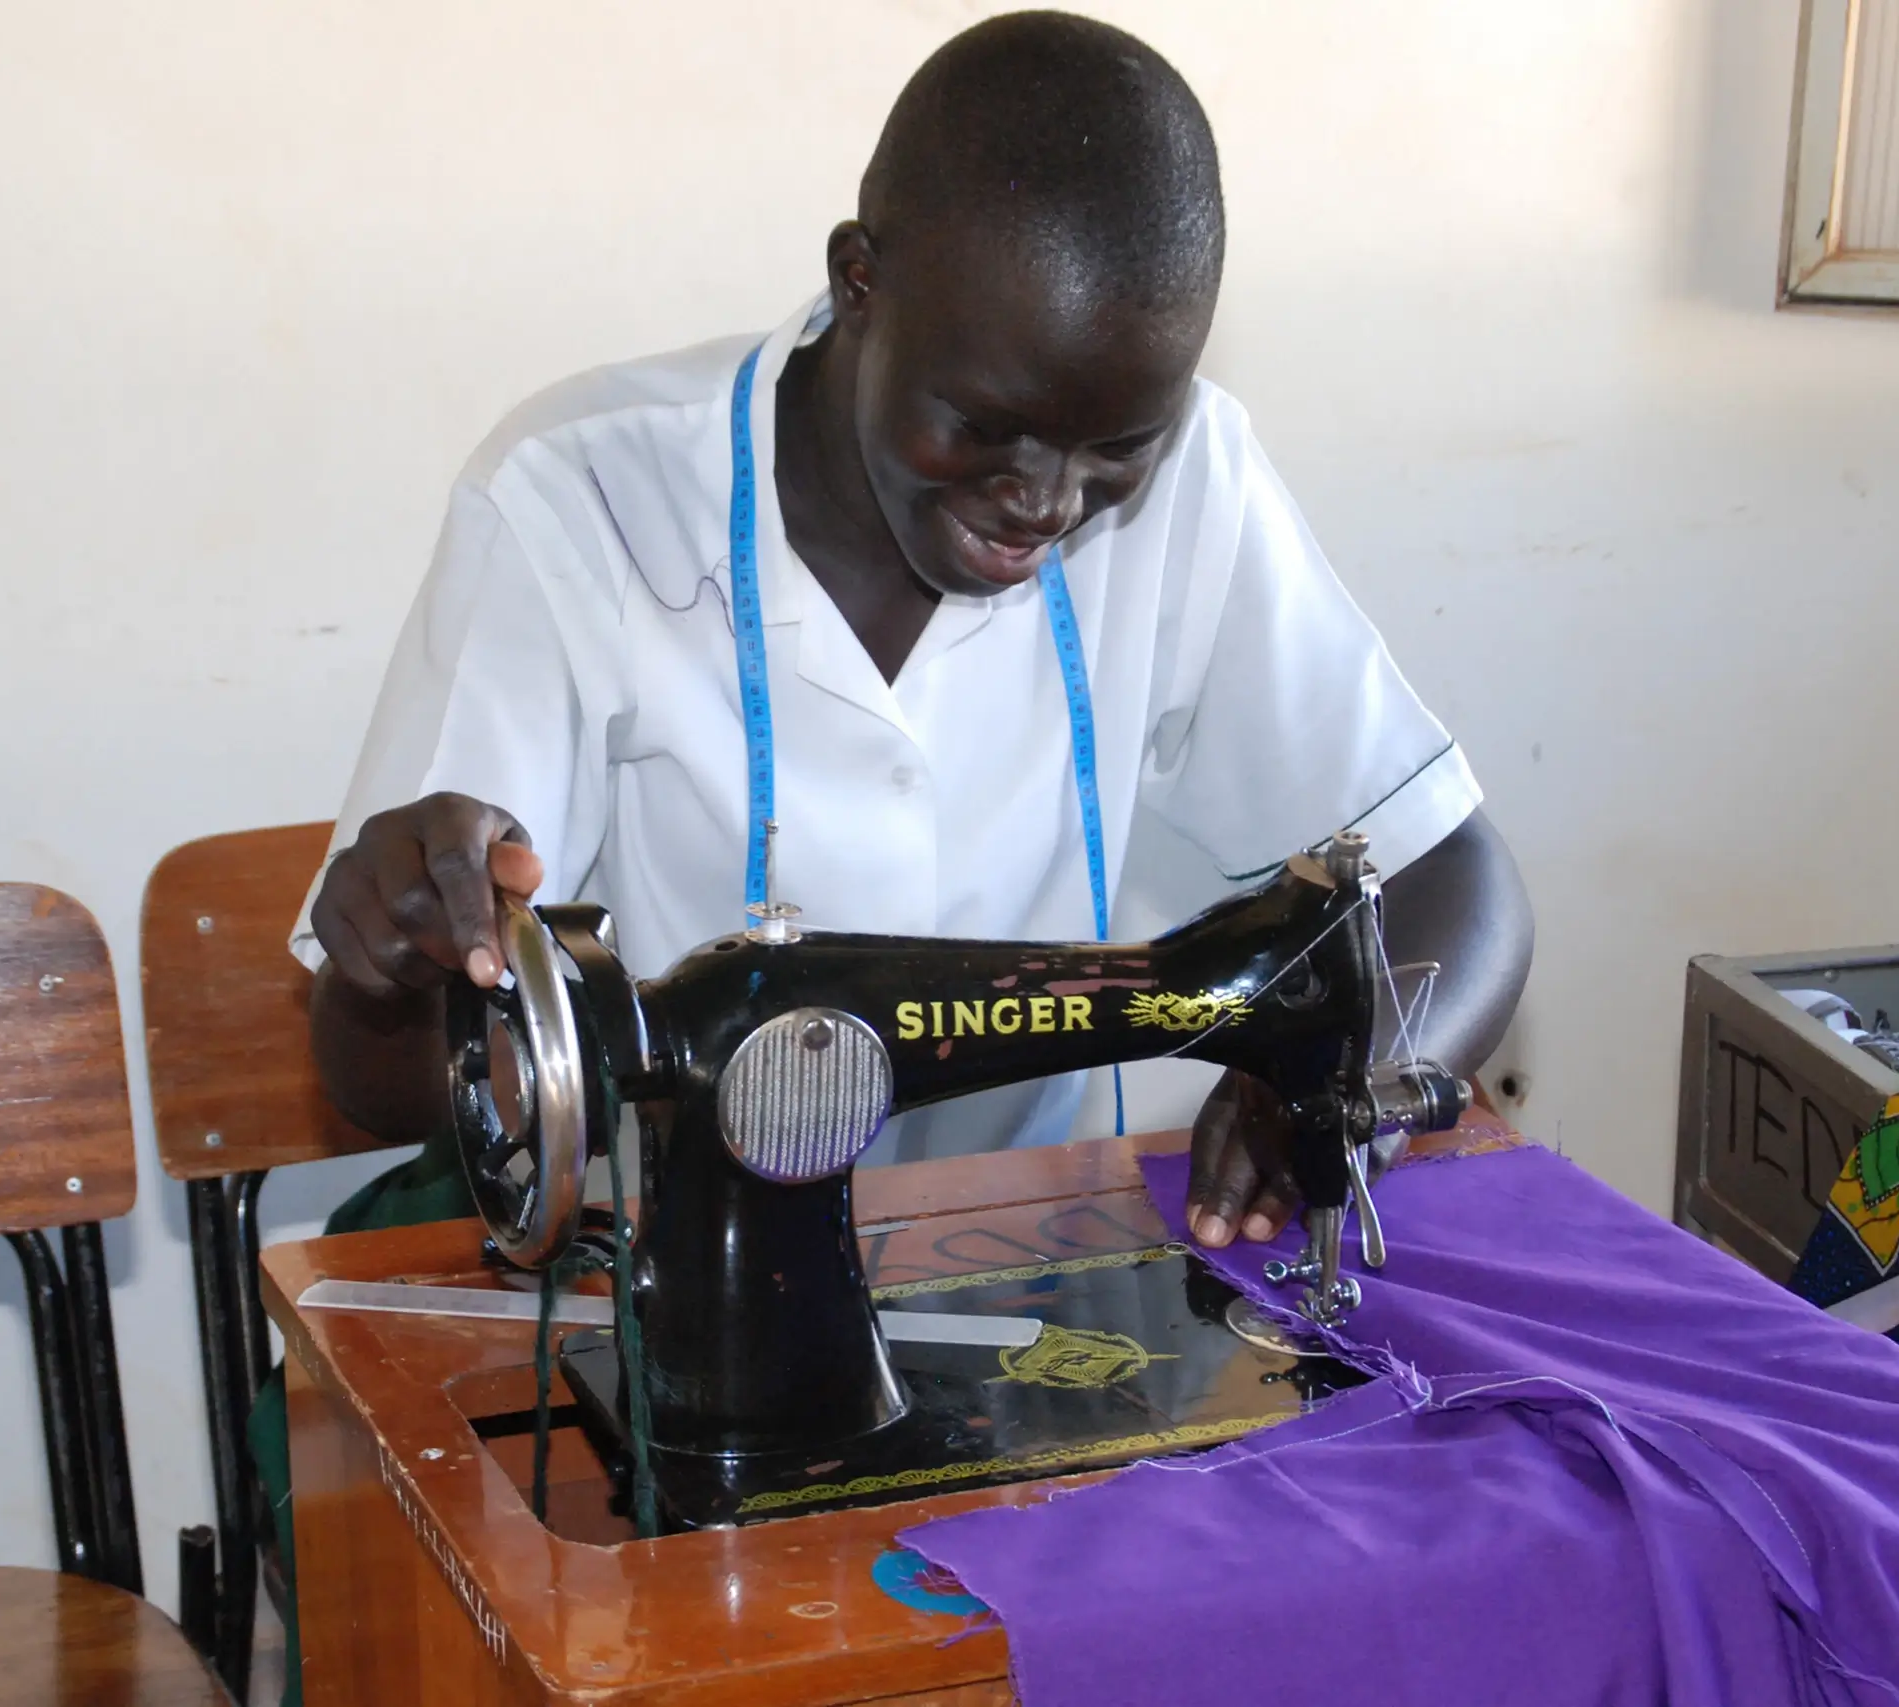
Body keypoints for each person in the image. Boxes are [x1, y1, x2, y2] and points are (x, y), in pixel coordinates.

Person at [259, 16, 1530, 1692]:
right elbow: (391, 1084)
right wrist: (388, 962)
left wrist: (1349, 1082)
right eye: (984, 425)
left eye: (1111, 453)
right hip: (650, 1275)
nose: (1047, 500)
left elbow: (1461, 887)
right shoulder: (580, 507)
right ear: (860, 278)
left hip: (1023, 1263)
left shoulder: (1196, 481)